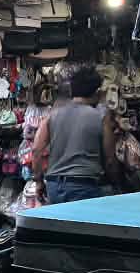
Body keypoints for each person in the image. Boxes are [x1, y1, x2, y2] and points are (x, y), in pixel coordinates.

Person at [34, 64, 117, 205]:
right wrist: (117, 184)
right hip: (84, 187)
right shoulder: (101, 118)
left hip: (54, 186)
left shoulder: (52, 116)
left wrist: (38, 182)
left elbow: (36, 151)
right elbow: (110, 160)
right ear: (97, 92)